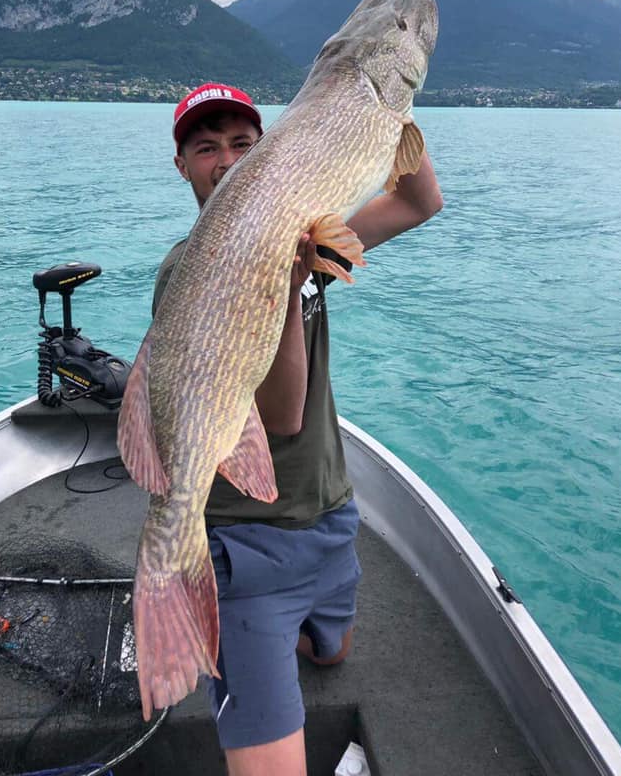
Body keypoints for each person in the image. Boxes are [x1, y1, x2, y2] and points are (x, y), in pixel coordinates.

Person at [152, 82, 443, 776]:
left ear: (273, 154)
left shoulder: (313, 237)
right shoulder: (186, 274)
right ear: (183, 166)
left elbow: (417, 202)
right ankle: (226, 628)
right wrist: (285, 283)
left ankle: (266, 643)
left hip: (331, 520)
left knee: (332, 652)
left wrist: (389, 99)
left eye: (244, 145)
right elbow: (283, 416)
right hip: (248, 547)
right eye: (206, 147)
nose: (227, 160)